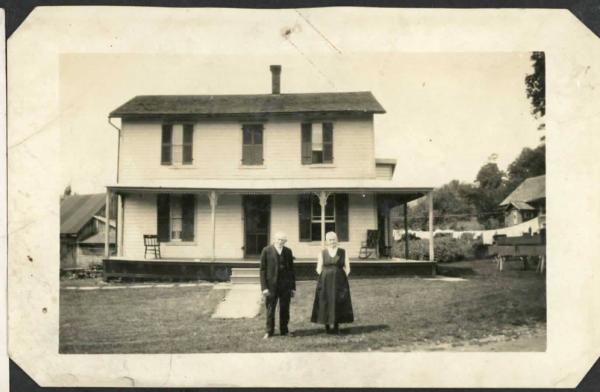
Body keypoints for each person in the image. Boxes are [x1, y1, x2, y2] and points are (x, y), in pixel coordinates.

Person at [311, 231, 354, 334]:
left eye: (334, 239)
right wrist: (326, 275)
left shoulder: (343, 252)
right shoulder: (322, 253)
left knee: (338, 301)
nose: (332, 242)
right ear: (327, 241)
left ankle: (336, 326)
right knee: (325, 301)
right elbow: (318, 268)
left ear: (337, 240)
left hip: (339, 282)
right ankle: (326, 326)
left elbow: (347, 268)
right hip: (325, 281)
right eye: (330, 240)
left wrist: (341, 276)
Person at [259, 232, 296, 339]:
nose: (280, 242)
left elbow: (291, 271)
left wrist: (292, 288)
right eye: (279, 239)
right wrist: (264, 287)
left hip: (285, 286)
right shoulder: (266, 250)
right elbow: (262, 270)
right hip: (271, 286)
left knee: (285, 308)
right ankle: (269, 331)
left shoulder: (288, 252)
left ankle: (284, 330)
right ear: (274, 240)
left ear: (285, 241)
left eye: (283, 240)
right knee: (270, 309)